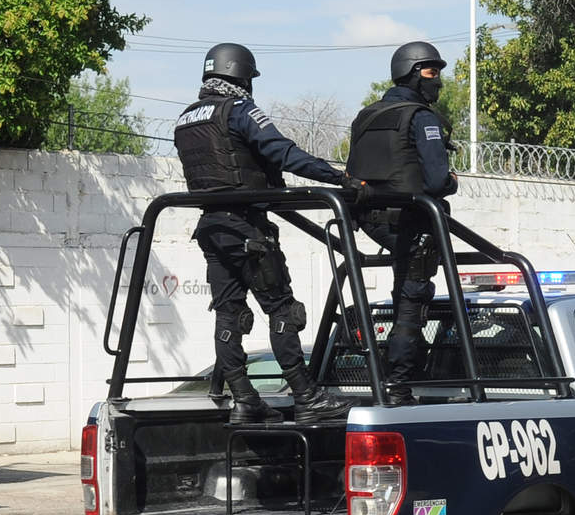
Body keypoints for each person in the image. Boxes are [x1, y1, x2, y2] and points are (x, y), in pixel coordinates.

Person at [174, 42, 356, 423]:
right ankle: (306, 397)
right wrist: (337, 177)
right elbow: (282, 152)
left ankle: (244, 398)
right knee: (283, 310)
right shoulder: (238, 110)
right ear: (241, 76)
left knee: (229, 315)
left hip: (212, 229)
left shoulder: (186, 119)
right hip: (247, 228)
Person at [346, 41, 458, 405]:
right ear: (412, 74)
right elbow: (437, 180)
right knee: (412, 302)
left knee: (401, 292)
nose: (437, 81)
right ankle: (398, 382)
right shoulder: (421, 117)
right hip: (413, 221)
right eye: (431, 72)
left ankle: (394, 371)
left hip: (371, 221)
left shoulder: (365, 115)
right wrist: (452, 182)